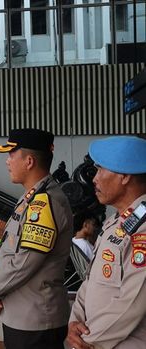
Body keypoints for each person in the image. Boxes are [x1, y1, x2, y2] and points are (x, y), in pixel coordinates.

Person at [0, 128, 73, 349]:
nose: (7, 162)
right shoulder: (31, 197)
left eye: (11, 155)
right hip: (23, 313)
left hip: (35, 321)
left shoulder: (45, 202)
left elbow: (26, 261)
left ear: (29, 161)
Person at [67, 136, 146, 349]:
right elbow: (90, 280)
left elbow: (133, 303)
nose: (95, 179)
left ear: (125, 176)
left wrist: (87, 341)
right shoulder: (115, 222)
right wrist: (74, 320)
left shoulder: (143, 229)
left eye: (101, 169)